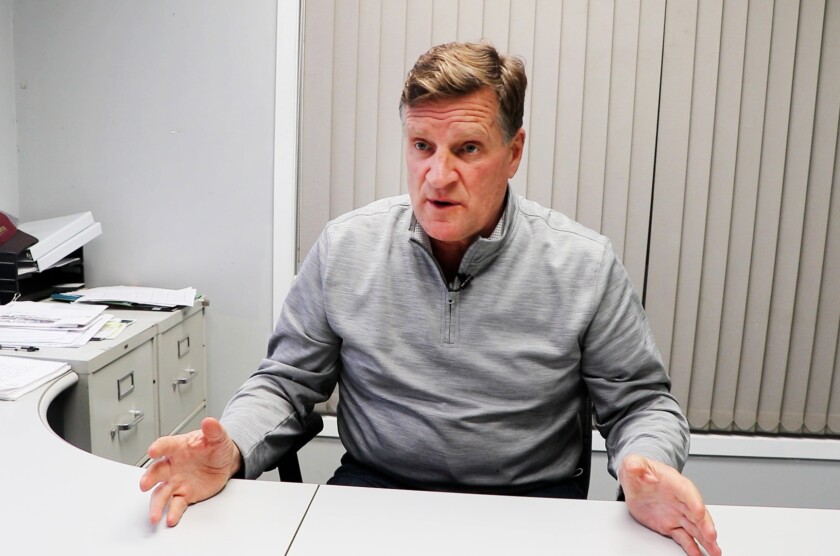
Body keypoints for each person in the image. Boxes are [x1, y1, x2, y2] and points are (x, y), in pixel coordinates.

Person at [140, 41, 720, 556]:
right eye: (422, 145)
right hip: (374, 498)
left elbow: (643, 405)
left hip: (530, 513)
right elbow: (285, 384)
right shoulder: (347, 248)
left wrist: (649, 465)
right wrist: (233, 447)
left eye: (467, 149)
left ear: (514, 152)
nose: (437, 176)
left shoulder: (583, 265)